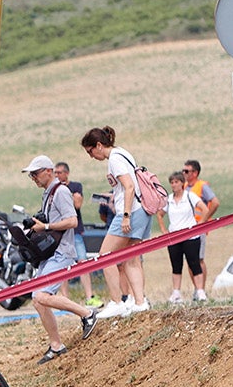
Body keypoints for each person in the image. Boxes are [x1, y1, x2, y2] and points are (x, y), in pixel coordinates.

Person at [20, 156, 98, 363]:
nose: (33, 178)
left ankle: (87, 313)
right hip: (50, 253)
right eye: (31, 175)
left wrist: (45, 227)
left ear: (48, 171)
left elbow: (72, 221)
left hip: (61, 252)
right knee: (38, 301)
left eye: (35, 174)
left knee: (42, 296)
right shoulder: (49, 193)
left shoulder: (61, 191)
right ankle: (56, 345)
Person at [82, 126, 151, 318]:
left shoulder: (114, 159)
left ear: (98, 145)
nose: (91, 156)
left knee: (105, 256)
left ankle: (116, 301)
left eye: (90, 151)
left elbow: (129, 186)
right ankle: (140, 302)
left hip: (129, 212)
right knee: (132, 258)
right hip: (141, 210)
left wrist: (126, 215)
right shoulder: (123, 153)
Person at [54, 161, 98, 307]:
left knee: (82, 262)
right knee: (62, 265)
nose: (57, 175)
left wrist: (66, 193)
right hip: (61, 232)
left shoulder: (75, 186)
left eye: (59, 172)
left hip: (76, 230)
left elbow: (77, 204)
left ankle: (89, 296)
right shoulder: (54, 189)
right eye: (55, 173)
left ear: (66, 173)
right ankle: (65, 297)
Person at [157, 171, 206, 304]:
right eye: (172, 182)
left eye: (176, 182)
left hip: (190, 235)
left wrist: (200, 225)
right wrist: (163, 230)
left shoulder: (190, 196)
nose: (174, 185)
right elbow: (160, 214)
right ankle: (176, 292)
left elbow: (204, 209)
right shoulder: (169, 200)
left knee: (194, 262)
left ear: (182, 183)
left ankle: (200, 290)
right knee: (176, 264)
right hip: (174, 236)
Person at [181, 159, 219, 301]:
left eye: (187, 171)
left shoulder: (202, 186)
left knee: (199, 259)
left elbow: (215, 202)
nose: (184, 174)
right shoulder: (183, 187)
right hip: (186, 228)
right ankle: (197, 290)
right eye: (183, 171)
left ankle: (201, 290)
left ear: (195, 173)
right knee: (191, 261)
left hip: (198, 227)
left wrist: (204, 221)